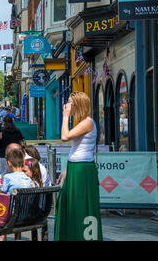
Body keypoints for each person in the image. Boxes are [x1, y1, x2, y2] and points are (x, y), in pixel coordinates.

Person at [55, 91, 103, 241]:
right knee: (70, 205)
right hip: (76, 167)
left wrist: (65, 116)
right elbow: (77, 148)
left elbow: (64, 137)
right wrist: (67, 169)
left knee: (81, 206)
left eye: (70, 103)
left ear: (79, 105)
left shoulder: (87, 122)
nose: (67, 106)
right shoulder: (83, 122)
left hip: (82, 169)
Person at [0, 147, 33, 240]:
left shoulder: (8, 177)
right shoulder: (28, 179)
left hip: (9, 216)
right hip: (24, 215)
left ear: (9, 163)